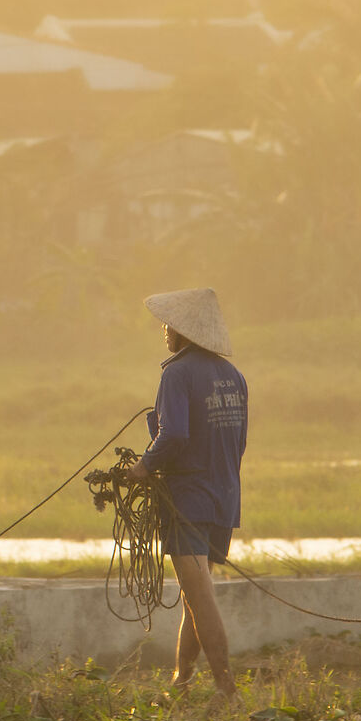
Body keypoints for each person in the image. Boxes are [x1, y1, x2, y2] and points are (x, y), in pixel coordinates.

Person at [128, 288, 248, 698]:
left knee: (199, 595)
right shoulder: (234, 377)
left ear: (182, 331)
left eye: (167, 325)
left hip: (189, 500)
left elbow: (174, 433)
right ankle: (181, 679)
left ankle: (226, 688)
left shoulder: (176, 374)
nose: (164, 331)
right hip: (224, 497)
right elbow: (239, 443)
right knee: (195, 594)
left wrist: (145, 466)